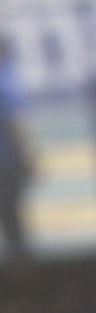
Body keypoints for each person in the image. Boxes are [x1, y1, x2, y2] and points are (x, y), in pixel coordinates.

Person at [0, 35, 33, 260]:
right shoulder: (6, 77)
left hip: (7, 159)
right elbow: (15, 121)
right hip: (7, 160)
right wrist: (27, 154)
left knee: (10, 215)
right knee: (12, 217)